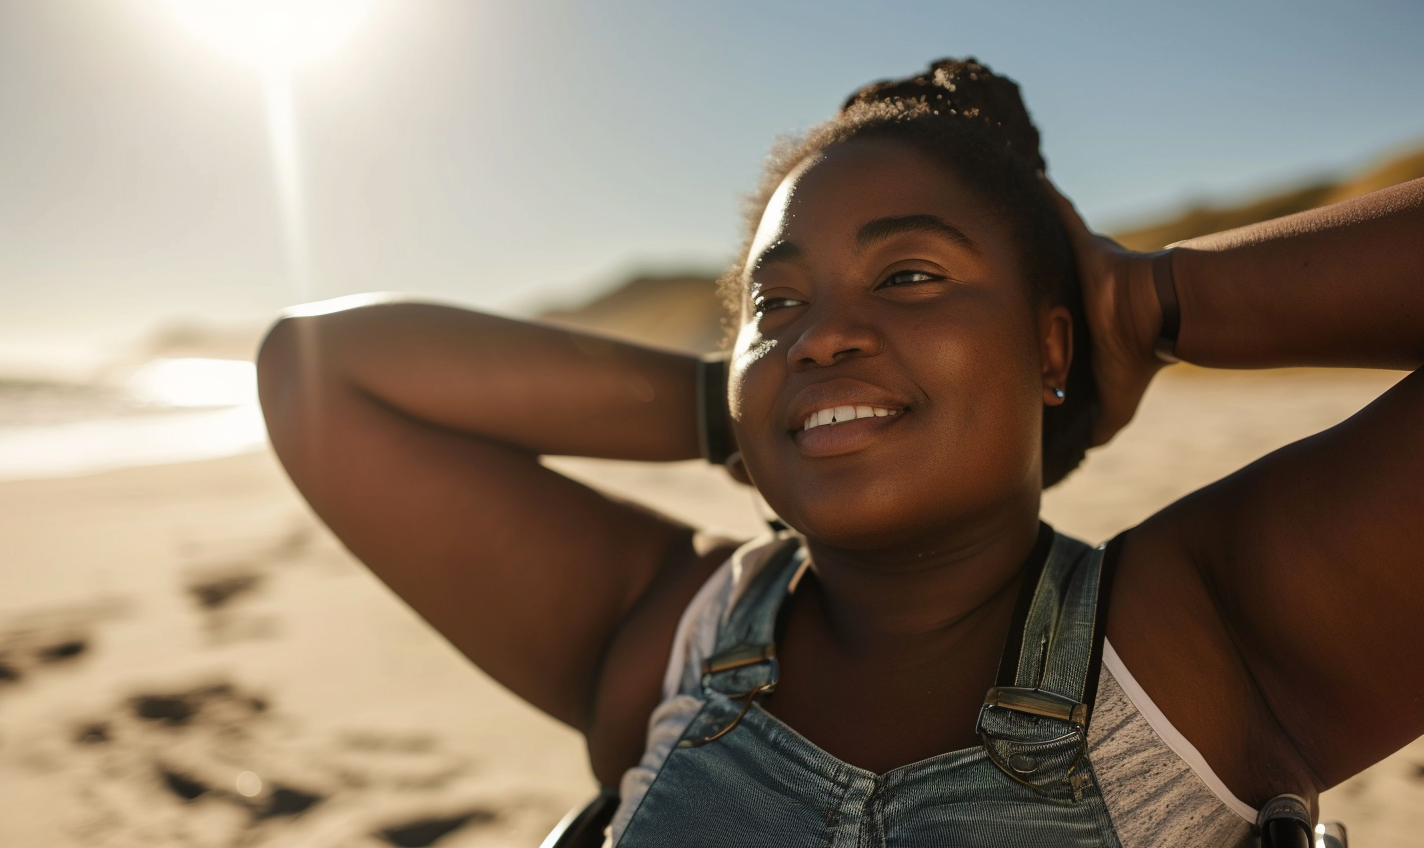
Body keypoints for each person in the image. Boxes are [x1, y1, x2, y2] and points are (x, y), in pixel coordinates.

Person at [256, 58, 1424, 847]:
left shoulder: (1209, 642)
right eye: (774, 304)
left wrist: (1149, 301)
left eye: (908, 273)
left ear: (1048, 344)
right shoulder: (676, 636)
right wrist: (738, 408)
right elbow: (321, 376)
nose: (821, 332)